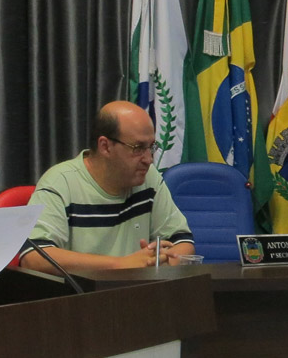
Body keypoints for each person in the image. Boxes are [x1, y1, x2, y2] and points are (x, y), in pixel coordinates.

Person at [20, 101, 196, 272]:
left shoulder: (148, 178)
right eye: (138, 148)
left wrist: (158, 261)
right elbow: (33, 257)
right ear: (105, 146)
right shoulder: (60, 182)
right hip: (81, 298)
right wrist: (121, 265)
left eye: (151, 147)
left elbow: (182, 242)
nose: (149, 159)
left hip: (138, 295)